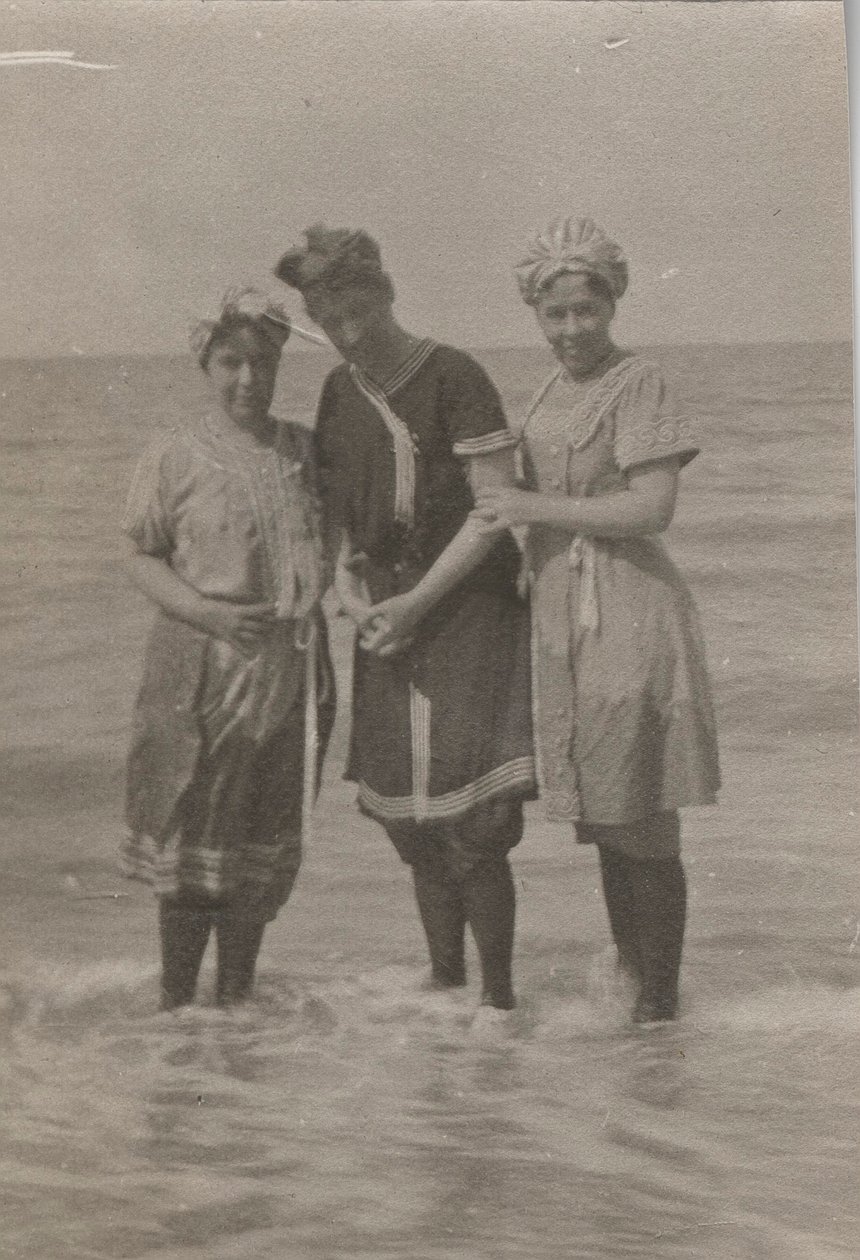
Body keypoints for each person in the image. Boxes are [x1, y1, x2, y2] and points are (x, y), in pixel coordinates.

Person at [274, 226, 536, 1018]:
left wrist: (416, 604)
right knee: (412, 823)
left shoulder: (453, 374)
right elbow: (343, 524)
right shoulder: (336, 391)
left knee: (474, 821)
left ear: (385, 294)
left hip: (468, 607)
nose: (349, 333)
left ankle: (497, 1001)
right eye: (331, 318)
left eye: (359, 311)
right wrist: (355, 602)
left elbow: (494, 510)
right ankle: (445, 987)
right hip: (385, 612)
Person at [475, 217, 720, 1024]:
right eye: (557, 315)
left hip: (628, 612)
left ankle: (659, 1006)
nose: (574, 329)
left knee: (643, 818)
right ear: (537, 317)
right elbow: (506, 494)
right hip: (566, 621)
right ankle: (636, 998)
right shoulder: (547, 389)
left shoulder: (639, 380)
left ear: (612, 305)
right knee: (611, 817)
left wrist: (526, 505)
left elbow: (653, 507)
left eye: (589, 311)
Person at [120, 287, 335, 1010]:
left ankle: (238, 1014)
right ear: (206, 366)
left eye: (263, 362)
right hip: (202, 670)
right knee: (192, 852)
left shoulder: (305, 450)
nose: (249, 379)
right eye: (230, 362)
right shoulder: (174, 455)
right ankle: (178, 1015)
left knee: (257, 857)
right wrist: (207, 614)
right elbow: (142, 556)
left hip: (289, 672)